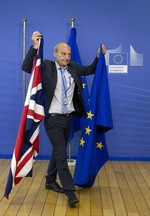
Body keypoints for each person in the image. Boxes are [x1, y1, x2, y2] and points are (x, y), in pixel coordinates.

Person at [22, 31, 106, 207]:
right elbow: (26, 66)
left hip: (69, 119)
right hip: (52, 120)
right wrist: (35, 46)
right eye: (63, 54)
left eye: (68, 54)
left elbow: (91, 69)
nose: (66, 57)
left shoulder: (74, 67)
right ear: (55, 54)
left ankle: (50, 180)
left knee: (57, 151)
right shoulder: (45, 67)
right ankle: (70, 192)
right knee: (61, 154)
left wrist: (98, 57)